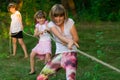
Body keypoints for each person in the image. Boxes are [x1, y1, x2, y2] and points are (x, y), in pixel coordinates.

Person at [37, 4, 79, 80]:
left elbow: (76, 38)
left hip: (71, 54)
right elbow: (60, 36)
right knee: (41, 77)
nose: (58, 19)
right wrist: (69, 41)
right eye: (55, 16)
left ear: (64, 15)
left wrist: (72, 41)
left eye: (61, 16)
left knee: (70, 78)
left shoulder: (69, 21)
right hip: (59, 55)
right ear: (52, 17)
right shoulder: (51, 24)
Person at [29, 10, 52, 75]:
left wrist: (48, 30)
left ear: (45, 18)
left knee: (48, 57)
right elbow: (35, 34)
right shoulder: (37, 26)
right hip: (41, 43)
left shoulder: (47, 23)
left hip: (47, 42)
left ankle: (50, 71)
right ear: (37, 19)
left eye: (42, 18)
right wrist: (40, 32)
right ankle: (32, 70)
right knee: (32, 54)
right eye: (39, 18)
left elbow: (50, 30)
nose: (41, 19)